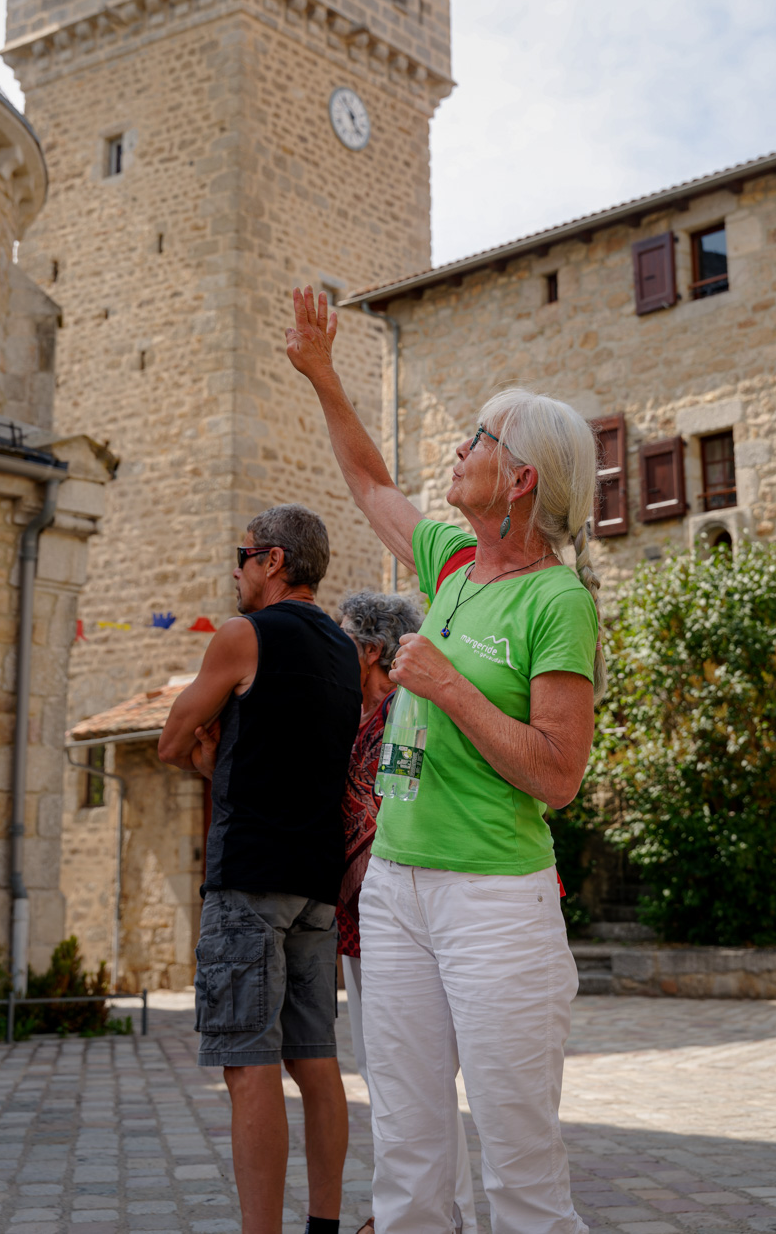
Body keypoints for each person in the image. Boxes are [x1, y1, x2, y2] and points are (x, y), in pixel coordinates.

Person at [286, 286, 600, 1234]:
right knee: (411, 1158)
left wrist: (451, 685)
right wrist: (325, 376)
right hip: (396, 891)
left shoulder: (558, 602)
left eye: (478, 438)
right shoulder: (451, 566)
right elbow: (372, 483)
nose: (458, 449)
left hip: (495, 902)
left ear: (522, 481)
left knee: (520, 1164)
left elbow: (558, 773)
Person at [159, 503, 362, 1234]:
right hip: (316, 883)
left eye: (242, 555)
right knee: (315, 1060)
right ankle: (324, 1225)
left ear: (273, 560)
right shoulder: (344, 651)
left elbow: (173, 733)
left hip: (249, 879)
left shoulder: (243, 635)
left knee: (249, 1066)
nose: (235, 569)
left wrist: (201, 753)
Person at [337, 593, 477, 1234]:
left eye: (345, 638)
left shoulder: (401, 711)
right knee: (390, 1073)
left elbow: (389, 806)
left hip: (391, 917)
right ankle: (413, 1211)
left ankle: (446, 1215)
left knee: (412, 1077)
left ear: (370, 649)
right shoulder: (364, 716)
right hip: (366, 921)